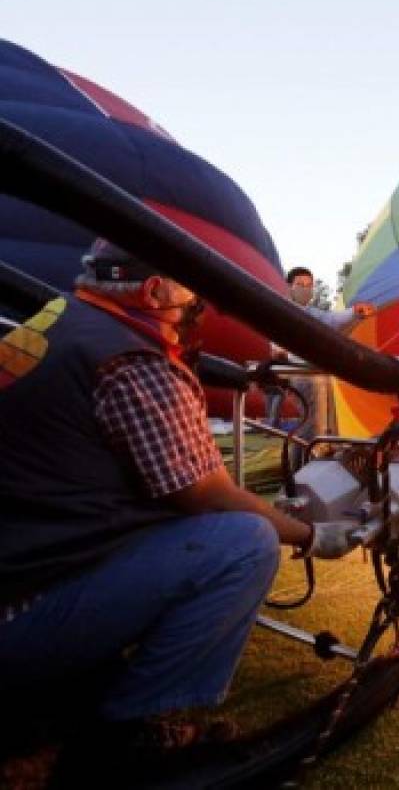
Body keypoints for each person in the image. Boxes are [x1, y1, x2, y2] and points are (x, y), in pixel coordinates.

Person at [0, 241, 360, 757]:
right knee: (244, 541)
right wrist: (312, 535)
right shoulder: (131, 362)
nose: (195, 310)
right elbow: (208, 495)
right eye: (189, 294)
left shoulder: (60, 318)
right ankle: (133, 728)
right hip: (22, 612)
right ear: (152, 290)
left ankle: (83, 684)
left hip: (24, 562)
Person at [267, 266, 375, 438]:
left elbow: (332, 320)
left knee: (318, 424)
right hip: (301, 375)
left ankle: (307, 457)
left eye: (309, 285)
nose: (305, 289)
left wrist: (355, 313)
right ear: (289, 287)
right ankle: (305, 460)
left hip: (317, 375)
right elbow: (275, 347)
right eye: (300, 284)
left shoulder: (312, 313)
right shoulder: (280, 311)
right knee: (311, 426)